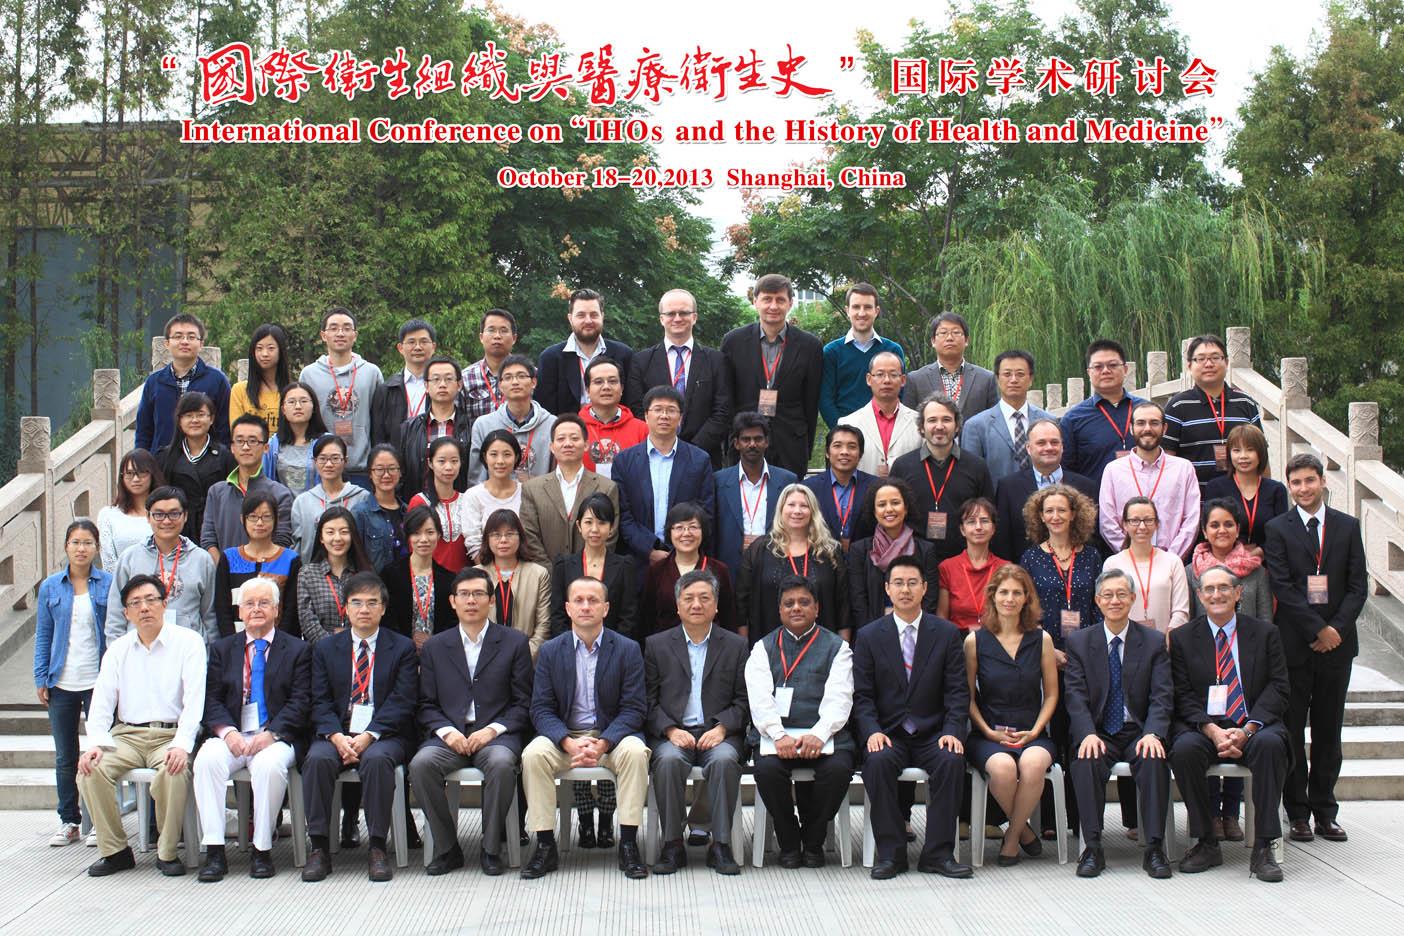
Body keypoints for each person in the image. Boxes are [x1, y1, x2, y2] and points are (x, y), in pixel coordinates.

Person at [1265, 452, 1367, 844]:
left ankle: (1326, 810)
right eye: (1296, 482)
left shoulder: (1347, 526)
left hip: (1337, 646)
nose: (1304, 488)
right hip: (1295, 644)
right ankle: (1297, 813)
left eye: (1310, 480)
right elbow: (1283, 585)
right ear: (1289, 486)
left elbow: (1357, 586)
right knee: (1292, 731)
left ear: (1323, 481)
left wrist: (1335, 629)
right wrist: (1317, 628)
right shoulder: (1278, 528)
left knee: (1328, 731)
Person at [520, 576, 651, 880]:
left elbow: (634, 708)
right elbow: (540, 708)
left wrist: (604, 743)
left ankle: (628, 843)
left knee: (636, 753)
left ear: (606, 608)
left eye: (593, 600)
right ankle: (545, 845)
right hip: (565, 737)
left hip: (612, 738)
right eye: (578, 600)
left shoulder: (628, 649)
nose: (586, 606)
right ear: (567, 608)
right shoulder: (551, 651)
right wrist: (567, 741)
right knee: (533, 755)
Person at [77, 574, 206, 877]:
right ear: (126, 613)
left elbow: (194, 701)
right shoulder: (118, 649)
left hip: (170, 734)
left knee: (174, 771)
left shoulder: (189, 642)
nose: (144, 608)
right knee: (90, 770)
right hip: (127, 735)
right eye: (135, 603)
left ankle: (167, 852)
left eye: (150, 600)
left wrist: (182, 744)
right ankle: (116, 851)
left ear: (164, 603)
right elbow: (102, 702)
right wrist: (96, 743)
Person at [1169, 565, 1291, 882]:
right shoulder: (1183, 638)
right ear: (1199, 596)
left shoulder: (1265, 633)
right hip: (1205, 727)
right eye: (1209, 589)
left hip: (1253, 726)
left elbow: (1279, 687)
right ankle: (1206, 841)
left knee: (1271, 745)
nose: (1216, 595)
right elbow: (1181, 693)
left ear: (1238, 593)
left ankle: (1264, 846)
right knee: (1184, 750)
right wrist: (1211, 730)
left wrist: (1248, 729)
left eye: (1224, 588)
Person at [411, 567, 535, 876]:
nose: (471, 601)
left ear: (491, 601)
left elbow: (524, 703)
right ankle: (447, 848)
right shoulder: (435, 647)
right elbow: (425, 704)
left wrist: (491, 731)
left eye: (478, 594)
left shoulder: (514, 642)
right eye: (464, 594)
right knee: (421, 765)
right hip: (449, 736)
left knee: (502, 764)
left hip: (496, 735)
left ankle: (491, 848)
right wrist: (448, 732)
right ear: (452, 601)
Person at [855, 555, 972, 879]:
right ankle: (891, 855)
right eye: (898, 583)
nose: (905, 590)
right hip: (889, 733)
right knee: (877, 761)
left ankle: (938, 854)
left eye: (912, 583)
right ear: (887, 589)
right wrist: (872, 731)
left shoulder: (946, 634)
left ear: (924, 588)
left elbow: (957, 692)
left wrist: (952, 730)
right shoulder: (869, 636)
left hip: (933, 732)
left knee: (951, 760)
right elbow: (862, 696)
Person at [300, 572, 418, 883]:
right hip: (336, 731)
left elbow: (403, 700)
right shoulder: (325, 649)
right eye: (356, 602)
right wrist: (336, 736)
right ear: (345, 608)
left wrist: (369, 735)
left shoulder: (402, 648)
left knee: (378, 760)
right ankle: (319, 847)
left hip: (384, 733)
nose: (364, 609)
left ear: (383, 608)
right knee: (317, 759)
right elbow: (319, 700)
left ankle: (377, 846)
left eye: (372, 602)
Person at [193, 577, 311, 881]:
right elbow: (211, 699)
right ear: (240, 611)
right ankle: (215, 850)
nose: (256, 609)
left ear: (277, 610)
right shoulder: (223, 649)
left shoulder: (297, 650)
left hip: (276, 736)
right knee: (206, 761)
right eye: (249, 603)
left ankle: (262, 849)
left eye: (264, 603)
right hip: (232, 734)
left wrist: (271, 734)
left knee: (269, 766)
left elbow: (301, 701)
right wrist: (227, 732)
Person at [1065, 568, 1173, 879]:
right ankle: (1092, 847)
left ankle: (1154, 848)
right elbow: (1075, 696)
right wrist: (1087, 733)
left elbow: (1162, 695)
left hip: (1138, 730)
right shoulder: (1080, 642)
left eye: (1121, 594)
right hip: (1100, 732)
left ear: (1133, 598)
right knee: (1086, 759)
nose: (1115, 601)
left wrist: (1153, 733)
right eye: (1108, 595)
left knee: (1154, 758)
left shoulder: (1152, 641)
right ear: (1097, 600)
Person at [644, 569, 749, 875]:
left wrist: (722, 728)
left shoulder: (736, 646)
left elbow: (745, 701)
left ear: (716, 606)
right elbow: (647, 701)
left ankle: (721, 845)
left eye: (704, 598)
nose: (696, 604)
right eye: (688, 598)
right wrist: (669, 729)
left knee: (725, 760)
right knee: (667, 761)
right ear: (677, 606)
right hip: (674, 733)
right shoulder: (656, 645)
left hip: (719, 733)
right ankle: (672, 844)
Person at [745, 575, 854, 868]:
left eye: (804, 602)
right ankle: (789, 838)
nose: (796, 608)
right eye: (789, 603)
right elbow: (759, 699)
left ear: (816, 608)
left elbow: (840, 697)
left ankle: (814, 839)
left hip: (826, 735)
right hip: (776, 737)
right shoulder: (763, 648)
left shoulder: (838, 648)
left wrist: (819, 734)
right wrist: (778, 734)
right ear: (779, 609)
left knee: (838, 770)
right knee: (767, 771)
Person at [1186, 498, 1273, 842]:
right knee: (1209, 735)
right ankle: (1209, 813)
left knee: (1239, 729)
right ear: (1204, 530)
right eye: (1214, 525)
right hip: (1206, 669)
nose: (1221, 530)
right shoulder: (1192, 571)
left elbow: (1265, 618)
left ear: (1238, 529)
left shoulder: (1255, 571)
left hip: (1244, 671)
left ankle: (1231, 814)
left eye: (1228, 524)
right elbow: (1191, 621)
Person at [963, 564, 1058, 866]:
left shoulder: (1041, 639)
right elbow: (967, 698)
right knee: (1003, 769)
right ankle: (1026, 833)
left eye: (1017, 593)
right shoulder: (974, 641)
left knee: (1033, 764)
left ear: (1027, 598)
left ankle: (1013, 838)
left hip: (1032, 732)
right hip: (989, 733)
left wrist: (1036, 730)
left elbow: (1051, 694)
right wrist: (988, 731)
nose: (1010, 599)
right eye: (1004, 592)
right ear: (992, 596)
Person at [34, 520, 112, 847]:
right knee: (65, 756)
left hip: (99, 681)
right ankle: (69, 820)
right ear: (66, 546)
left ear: (97, 548)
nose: (81, 549)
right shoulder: (51, 587)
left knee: (100, 753)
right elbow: (44, 634)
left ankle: (98, 821)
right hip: (61, 681)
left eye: (88, 543)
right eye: (75, 542)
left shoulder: (108, 583)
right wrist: (41, 676)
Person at [720, 273, 823, 479]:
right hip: (744, 441)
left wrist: (806, 446)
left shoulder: (810, 346)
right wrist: (728, 442)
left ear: (790, 303)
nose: (773, 306)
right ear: (755, 301)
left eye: (780, 300)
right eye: (767, 299)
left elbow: (811, 403)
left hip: (791, 443)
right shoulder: (733, 342)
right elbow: (726, 397)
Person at [612, 386, 716, 578]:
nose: (664, 416)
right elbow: (623, 515)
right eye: (658, 409)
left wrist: (679, 549)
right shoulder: (624, 461)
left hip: (686, 559)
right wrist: (649, 550)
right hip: (638, 561)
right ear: (646, 416)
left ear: (680, 418)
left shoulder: (699, 460)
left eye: (671, 410)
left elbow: (705, 512)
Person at [625, 288, 733, 467]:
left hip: (702, 457)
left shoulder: (716, 361)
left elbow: (723, 411)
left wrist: (691, 450)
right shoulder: (641, 361)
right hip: (654, 457)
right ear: (661, 319)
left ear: (694, 317)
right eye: (670, 313)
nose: (677, 318)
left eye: (683, 313)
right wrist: (663, 445)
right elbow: (637, 409)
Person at [104, 486, 219, 644]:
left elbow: (210, 616)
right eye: (158, 514)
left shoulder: (202, 560)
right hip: (140, 650)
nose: (166, 521)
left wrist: (211, 654)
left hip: (186, 651)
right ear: (148, 516)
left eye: (174, 514)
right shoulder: (129, 558)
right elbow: (116, 614)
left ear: (185, 516)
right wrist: (116, 651)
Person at [890, 392, 995, 563]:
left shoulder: (977, 467)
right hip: (914, 560)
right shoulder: (902, 467)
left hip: (963, 561)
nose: (939, 426)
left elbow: (989, 516)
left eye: (946, 420)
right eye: (932, 420)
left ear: (957, 426)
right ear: (921, 427)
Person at [737, 484, 849, 642]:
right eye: (791, 505)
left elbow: (843, 605)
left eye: (804, 506)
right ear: (781, 509)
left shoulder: (830, 552)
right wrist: (745, 646)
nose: (797, 511)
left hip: (822, 645)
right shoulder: (759, 550)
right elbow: (742, 603)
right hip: (771, 645)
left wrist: (844, 648)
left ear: (813, 511)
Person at [1098, 402, 1200, 558]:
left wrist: (1169, 559)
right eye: (1140, 423)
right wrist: (1131, 556)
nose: (1147, 429)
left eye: (1154, 423)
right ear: (1131, 428)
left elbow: (1191, 521)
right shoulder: (1113, 470)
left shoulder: (1183, 469)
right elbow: (1108, 523)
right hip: (1127, 562)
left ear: (1164, 428)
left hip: (1172, 561)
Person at [298, 306, 385, 486]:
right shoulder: (309, 374)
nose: (340, 333)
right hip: (322, 469)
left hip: (362, 468)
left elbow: (380, 421)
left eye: (346, 328)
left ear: (355, 335)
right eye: (334, 328)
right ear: (323, 335)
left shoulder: (371, 373)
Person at [1162, 335, 1264, 485]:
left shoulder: (1245, 402)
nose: (1209, 364)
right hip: (1196, 495)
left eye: (1215, 358)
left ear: (1226, 362)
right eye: (1201, 359)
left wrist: (1267, 492)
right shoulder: (1177, 405)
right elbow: (1167, 458)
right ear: (1189, 365)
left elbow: (1261, 452)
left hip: (1242, 495)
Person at [993, 418, 1098, 562]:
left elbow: (1093, 537)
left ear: (1062, 446)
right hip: (1024, 571)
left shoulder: (1086, 487)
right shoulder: (1008, 487)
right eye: (1041, 443)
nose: (1049, 447)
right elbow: (1003, 540)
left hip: (1077, 569)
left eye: (1054, 442)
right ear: (1028, 448)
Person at [519, 414, 619, 562]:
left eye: (574, 438)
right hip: (546, 572)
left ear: (586, 445)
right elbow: (529, 536)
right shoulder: (532, 489)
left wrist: (585, 570)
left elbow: (610, 536)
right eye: (561, 439)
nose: (568, 444)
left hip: (591, 572)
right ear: (552, 447)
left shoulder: (607, 487)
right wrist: (550, 572)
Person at [848, 478, 941, 634]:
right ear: (874, 511)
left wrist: (911, 629)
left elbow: (929, 600)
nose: (889, 509)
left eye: (895, 503)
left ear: (906, 508)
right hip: (873, 634)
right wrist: (874, 635)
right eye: (882, 505)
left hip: (916, 632)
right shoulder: (859, 550)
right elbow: (858, 602)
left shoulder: (926, 550)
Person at [199, 414, 295, 564]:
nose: (245, 447)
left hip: (265, 574)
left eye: (252, 441)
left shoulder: (280, 494)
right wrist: (225, 570)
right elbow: (208, 539)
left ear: (266, 448)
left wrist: (256, 572)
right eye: (239, 441)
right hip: (224, 572)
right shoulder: (216, 492)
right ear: (232, 447)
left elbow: (282, 540)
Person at [713, 412, 798, 574]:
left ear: (766, 442)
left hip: (776, 566)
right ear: (736, 443)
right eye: (746, 439)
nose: (752, 444)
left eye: (758, 439)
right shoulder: (718, 481)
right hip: (730, 568)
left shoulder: (787, 480)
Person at [135, 312, 231, 454]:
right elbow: (144, 430)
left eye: (191, 337)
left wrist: (222, 459)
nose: (184, 342)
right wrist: (141, 460)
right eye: (178, 336)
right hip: (162, 461)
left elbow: (225, 428)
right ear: (167, 343)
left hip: (207, 462)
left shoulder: (217, 380)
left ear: (201, 344)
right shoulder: (155, 382)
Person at [1060, 339, 1149, 489]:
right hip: (1095, 499)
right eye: (1098, 366)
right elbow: (1067, 470)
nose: (1106, 371)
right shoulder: (1073, 419)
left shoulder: (1146, 410)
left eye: (1113, 365)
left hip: (1145, 498)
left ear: (1125, 369)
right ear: (1089, 372)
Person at [548, 492, 637, 639]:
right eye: (588, 522)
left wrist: (612, 647)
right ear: (579, 526)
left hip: (613, 646)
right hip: (570, 646)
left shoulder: (624, 566)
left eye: (602, 523)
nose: (595, 529)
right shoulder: (563, 565)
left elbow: (628, 617)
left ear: (611, 527)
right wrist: (571, 646)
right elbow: (557, 615)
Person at [641, 502, 738, 636]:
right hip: (665, 645)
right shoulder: (657, 570)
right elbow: (647, 619)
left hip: (710, 644)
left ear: (703, 531)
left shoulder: (719, 570)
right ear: (670, 532)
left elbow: (728, 619)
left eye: (693, 527)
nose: (686, 533)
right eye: (679, 527)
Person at [534, 287, 634, 416]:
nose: (588, 321)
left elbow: (631, 402)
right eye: (581, 315)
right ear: (570, 318)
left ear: (602, 316)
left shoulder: (624, 355)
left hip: (614, 426)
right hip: (567, 427)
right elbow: (545, 410)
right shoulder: (550, 358)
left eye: (594, 315)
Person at [820, 283, 907, 431]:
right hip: (845, 433)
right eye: (856, 307)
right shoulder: (832, 352)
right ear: (847, 311)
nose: (861, 313)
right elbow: (825, 400)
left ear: (876, 311)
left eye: (867, 307)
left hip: (885, 431)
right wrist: (842, 432)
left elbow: (901, 393)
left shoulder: (892, 350)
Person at [214, 492, 301, 637]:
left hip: (279, 643)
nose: (259, 523)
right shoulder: (229, 558)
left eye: (266, 517)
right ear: (243, 519)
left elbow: (291, 612)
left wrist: (278, 644)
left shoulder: (290, 559)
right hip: (236, 641)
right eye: (253, 517)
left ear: (276, 519)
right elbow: (222, 608)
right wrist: (232, 643)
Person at [960, 350, 1055, 484]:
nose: (1013, 380)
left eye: (1020, 374)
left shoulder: (1049, 422)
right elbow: (970, 475)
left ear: (1030, 379)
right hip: (995, 496)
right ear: (997, 379)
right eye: (1007, 374)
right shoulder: (976, 426)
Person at [156, 391, 236, 542]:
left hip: (215, 527)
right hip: (177, 528)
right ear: (179, 420)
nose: (194, 420)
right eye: (188, 415)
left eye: (200, 415)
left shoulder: (225, 456)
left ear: (211, 419)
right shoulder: (165, 457)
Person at [1102, 497, 1191, 633]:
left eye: (1148, 520)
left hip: (1165, 641)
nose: (1142, 527)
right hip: (1126, 640)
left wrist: (1168, 638)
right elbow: (1109, 608)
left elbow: (1181, 611)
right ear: (1125, 524)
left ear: (1157, 524)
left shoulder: (1173, 561)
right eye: (1135, 520)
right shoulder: (1112, 564)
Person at [466, 354, 556, 484]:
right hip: (495, 496)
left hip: (540, 496)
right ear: (500, 385)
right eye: (508, 377)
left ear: (534, 382)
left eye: (521, 376)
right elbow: (476, 479)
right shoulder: (483, 425)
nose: (515, 382)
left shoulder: (552, 424)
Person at [477, 509, 553, 660]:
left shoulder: (538, 574)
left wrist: (522, 658)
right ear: (487, 539)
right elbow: (471, 622)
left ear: (520, 537)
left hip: (526, 660)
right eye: (496, 535)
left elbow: (543, 626)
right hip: (484, 660)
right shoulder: (476, 575)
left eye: (510, 534)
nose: (503, 540)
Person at [1202, 424, 1289, 553]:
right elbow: (1210, 529)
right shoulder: (1215, 487)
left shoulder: (1276, 490)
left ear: (1261, 453)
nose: (1243, 456)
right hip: (1224, 559)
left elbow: (1282, 533)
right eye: (1237, 450)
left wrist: (1260, 552)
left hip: (1267, 559)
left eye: (1250, 450)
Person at [295, 506, 375, 646]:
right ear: (321, 537)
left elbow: (371, 615)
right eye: (330, 532)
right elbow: (307, 620)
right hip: (320, 652)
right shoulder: (307, 574)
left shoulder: (364, 574)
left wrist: (352, 644)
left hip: (359, 650)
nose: (337, 538)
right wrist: (331, 646)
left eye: (344, 532)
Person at [381, 505, 457, 649]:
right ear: (408, 536)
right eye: (416, 533)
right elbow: (386, 618)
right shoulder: (390, 574)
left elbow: (452, 623)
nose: (423, 539)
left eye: (430, 532)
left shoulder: (449, 579)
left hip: (437, 653)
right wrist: (406, 643)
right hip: (398, 652)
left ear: (438, 535)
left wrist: (434, 642)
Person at [397, 355, 473, 495]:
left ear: (459, 385)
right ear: (426, 386)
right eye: (436, 379)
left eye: (448, 379)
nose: (442, 384)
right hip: (419, 503)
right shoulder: (409, 428)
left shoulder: (472, 427)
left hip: (460, 502)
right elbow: (402, 472)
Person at [901, 312, 998, 419]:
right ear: (933, 341)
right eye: (943, 333)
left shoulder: (987, 379)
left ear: (966, 340)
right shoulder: (916, 380)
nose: (949, 338)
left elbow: (995, 420)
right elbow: (909, 421)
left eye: (956, 332)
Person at [841, 352, 921, 478]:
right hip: (863, 490)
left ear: (903, 380)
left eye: (893, 375)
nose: (887, 380)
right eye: (880, 374)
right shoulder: (848, 423)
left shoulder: (920, 422)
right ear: (869, 379)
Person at [937, 498, 1010, 633]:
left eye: (984, 521)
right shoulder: (947, 567)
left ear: (993, 528)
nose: (978, 527)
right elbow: (942, 616)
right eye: (971, 522)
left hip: (996, 638)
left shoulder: (1006, 568)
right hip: (957, 640)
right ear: (962, 529)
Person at [290, 435, 368, 556]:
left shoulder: (362, 497)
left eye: (335, 458)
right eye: (322, 459)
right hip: (311, 567)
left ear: (345, 461)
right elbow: (297, 546)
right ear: (314, 462)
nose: (329, 464)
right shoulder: (302, 502)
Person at [802, 424, 878, 547]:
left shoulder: (875, 486)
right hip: (821, 554)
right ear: (827, 452)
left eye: (852, 447)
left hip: (865, 555)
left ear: (860, 453)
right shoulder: (808, 488)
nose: (844, 452)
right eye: (837, 446)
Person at [407, 438, 473, 573]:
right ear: (430, 463)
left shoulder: (467, 500)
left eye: (454, 461)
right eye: (441, 461)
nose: (449, 467)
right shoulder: (419, 501)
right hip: (430, 576)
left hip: (464, 579)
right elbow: (412, 546)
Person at [370, 318, 438, 446]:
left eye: (424, 342)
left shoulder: (442, 386)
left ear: (433, 347)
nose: (418, 347)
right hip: (396, 456)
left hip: (433, 455)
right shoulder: (387, 390)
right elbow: (378, 435)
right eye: (411, 342)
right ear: (400, 348)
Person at [579, 356, 646, 477]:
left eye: (612, 381)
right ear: (587, 390)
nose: (606, 387)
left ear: (622, 388)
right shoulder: (574, 429)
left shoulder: (642, 430)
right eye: (598, 382)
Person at [98, 449, 165, 571]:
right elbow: (108, 561)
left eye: (142, 473)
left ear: (152, 474)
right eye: (129, 473)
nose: (135, 479)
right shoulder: (108, 515)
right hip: (121, 580)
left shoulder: (165, 513)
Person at [463, 430, 524, 560]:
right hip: (485, 567)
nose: (500, 461)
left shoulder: (526, 492)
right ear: (485, 457)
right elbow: (473, 543)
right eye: (494, 454)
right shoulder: (473, 496)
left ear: (516, 457)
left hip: (524, 566)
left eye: (507, 454)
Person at [351, 445, 408, 573]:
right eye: (379, 469)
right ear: (370, 473)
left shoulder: (408, 511)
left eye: (392, 468)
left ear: (400, 472)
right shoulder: (360, 513)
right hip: (374, 583)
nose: (386, 475)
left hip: (406, 583)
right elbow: (354, 558)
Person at [264, 381, 327, 494]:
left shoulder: (326, 443)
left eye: (304, 401)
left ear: (313, 407)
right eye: (291, 402)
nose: (298, 406)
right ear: (283, 409)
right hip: (282, 504)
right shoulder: (273, 445)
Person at [457, 308, 518, 422]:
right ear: (481, 337)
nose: (497, 336)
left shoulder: (529, 376)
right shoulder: (465, 378)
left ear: (514, 338)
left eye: (504, 331)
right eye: (491, 330)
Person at [229, 324, 290, 435]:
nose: (264, 354)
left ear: (281, 351)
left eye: (271, 348)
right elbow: (237, 433)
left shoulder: (291, 391)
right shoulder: (239, 390)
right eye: (259, 348)